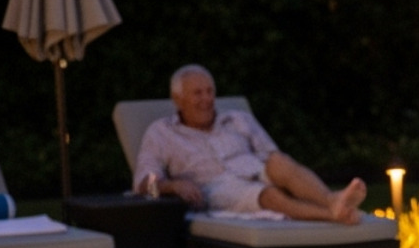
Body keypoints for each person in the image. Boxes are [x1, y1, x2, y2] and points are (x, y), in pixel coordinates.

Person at [134, 64, 367, 223]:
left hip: (254, 168)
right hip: (216, 187)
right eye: (197, 93)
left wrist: (277, 169)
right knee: (267, 194)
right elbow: (144, 184)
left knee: (279, 161)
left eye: (210, 92)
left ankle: (331, 200)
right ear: (177, 99)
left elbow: (271, 156)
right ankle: (332, 214)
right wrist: (173, 186)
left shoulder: (237, 119)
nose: (206, 100)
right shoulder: (161, 132)